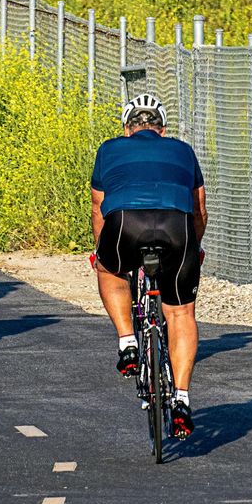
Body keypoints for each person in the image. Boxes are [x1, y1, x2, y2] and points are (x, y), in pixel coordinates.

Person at [91, 93, 207, 439]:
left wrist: (102, 251)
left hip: (125, 221)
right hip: (176, 226)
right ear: (163, 129)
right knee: (181, 313)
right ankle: (183, 398)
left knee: (109, 268)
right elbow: (199, 209)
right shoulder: (183, 150)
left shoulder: (109, 149)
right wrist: (193, 249)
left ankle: (128, 340)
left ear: (127, 129)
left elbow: (99, 209)